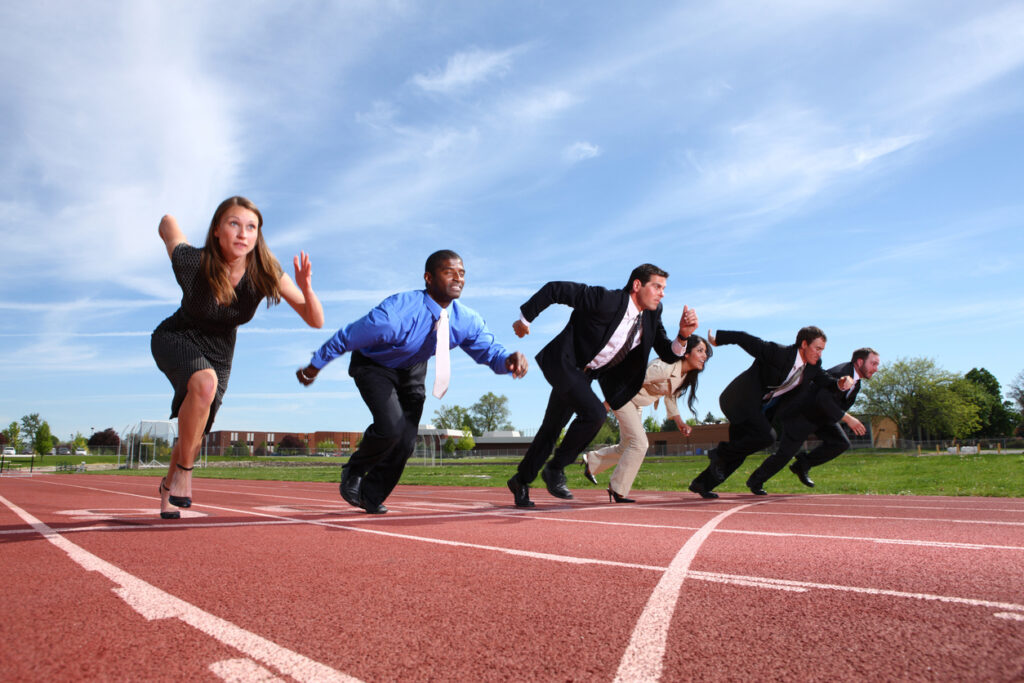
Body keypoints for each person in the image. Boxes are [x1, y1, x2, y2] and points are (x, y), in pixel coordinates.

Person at [296, 250, 528, 514]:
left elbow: (489, 352)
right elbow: (347, 337)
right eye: (448, 271)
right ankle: (354, 470)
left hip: (413, 368)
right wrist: (314, 366)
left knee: (406, 440)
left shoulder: (466, 320)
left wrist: (507, 360)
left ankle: (371, 495)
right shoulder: (394, 315)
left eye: (462, 273)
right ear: (428, 278)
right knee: (391, 427)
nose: (458, 278)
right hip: (374, 365)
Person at [152, 196, 324, 519]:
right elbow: (167, 225)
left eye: (251, 227)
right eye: (234, 224)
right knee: (205, 384)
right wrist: (171, 222)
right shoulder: (194, 262)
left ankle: (167, 486)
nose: (243, 234)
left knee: (196, 430)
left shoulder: (265, 272)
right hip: (176, 337)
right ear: (217, 230)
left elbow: (315, 320)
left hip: (219, 351)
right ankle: (186, 473)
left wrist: (307, 288)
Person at [507, 264, 699, 508]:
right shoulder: (605, 299)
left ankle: (520, 480)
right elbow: (555, 290)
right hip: (565, 363)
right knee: (595, 414)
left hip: (588, 375)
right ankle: (555, 469)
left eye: (664, 288)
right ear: (637, 285)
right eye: (657, 286)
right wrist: (525, 319)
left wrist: (682, 336)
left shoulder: (652, 313)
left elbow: (666, 352)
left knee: (551, 429)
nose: (662, 293)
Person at [688, 326, 853, 499]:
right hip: (739, 400)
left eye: (822, 350)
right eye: (817, 348)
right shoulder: (778, 353)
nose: (820, 354)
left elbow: (824, 380)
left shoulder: (813, 366)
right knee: (766, 436)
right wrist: (717, 339)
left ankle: (702, 483)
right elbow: (744, 338)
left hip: (760, 409)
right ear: (804, 344)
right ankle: (718, 453)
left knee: (741, 447)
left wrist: (839, 383)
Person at [582, 334, 711, 503]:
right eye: (700, 351)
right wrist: (607, 403)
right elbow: (633, 379)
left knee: (627, 446)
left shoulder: (684, 375)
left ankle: (591, 462)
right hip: (623, 397)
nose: (705, 356)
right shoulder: (664, 367)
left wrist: (679, 422)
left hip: (637, 402)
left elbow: (670, 397)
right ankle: (617, 489)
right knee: (640, 443)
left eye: (706, 352)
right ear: (686, 353)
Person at [745, 347, 880, 494]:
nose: (876, 369)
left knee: (840, 443)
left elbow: (838, 404)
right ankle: (755, 481)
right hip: (801, 414)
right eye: (873, 364)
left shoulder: (856, 383)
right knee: (785, 454)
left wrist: (840, 416)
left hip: (823, 416)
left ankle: (802, 464)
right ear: (860, 362)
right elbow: (822, 399)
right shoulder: (840, 373)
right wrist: (847, 419)